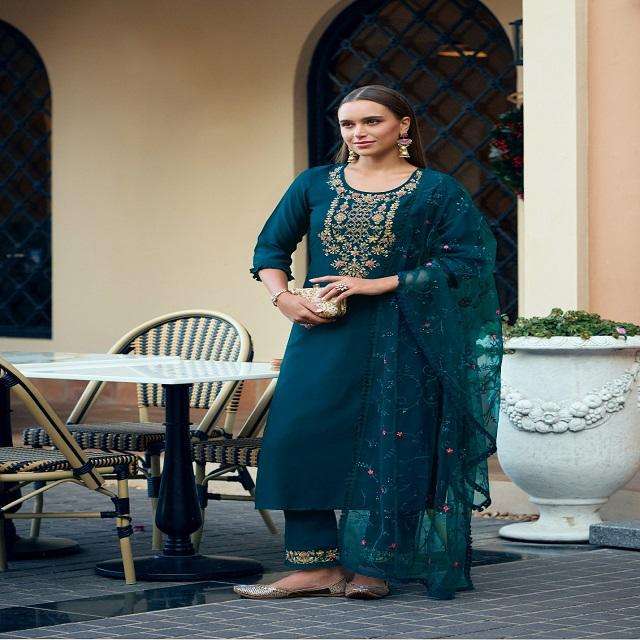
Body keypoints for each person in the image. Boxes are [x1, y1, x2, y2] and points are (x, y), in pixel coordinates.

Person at [233, 84, 503, 601]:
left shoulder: (436, 190)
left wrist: (382, 283)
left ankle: (374, 565)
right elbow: (270, 248)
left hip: (403, 335)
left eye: (371, 121)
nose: (358, 133)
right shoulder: (315, 184)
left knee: (392, 443)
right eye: (348, 124)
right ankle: (314, 565)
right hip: (322, 334)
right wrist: (282, 297)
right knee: (298, 438)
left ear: (403, 125)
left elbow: (469, 261)